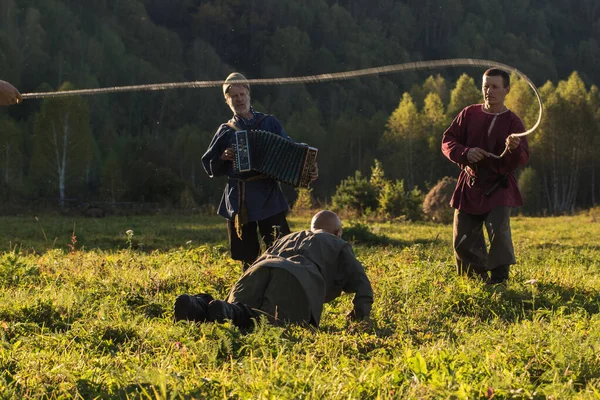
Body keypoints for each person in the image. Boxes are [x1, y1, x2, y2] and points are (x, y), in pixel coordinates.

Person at [174, 210, 373, 329]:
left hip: (259, 269)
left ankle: (198, 305)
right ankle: (231, 313)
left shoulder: (289, 237)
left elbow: (259, 260)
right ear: (338, 232)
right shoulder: (337, 242)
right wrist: (359, 316)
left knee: (233, 306)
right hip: (295, 278)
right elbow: (361, 283)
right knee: (268, 324)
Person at [201, 72, 317, 272]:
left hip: (268, 194)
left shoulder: (268, 123)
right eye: (233, 96)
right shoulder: (226, 131)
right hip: (240, 198)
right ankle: (249, 292)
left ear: (248, 94)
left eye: (241, 94)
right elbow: (209, 163)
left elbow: (290, 149)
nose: (239, 99)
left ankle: (281, 285)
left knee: (281, 247)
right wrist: (223, 158)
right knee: (247, 256)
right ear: (227, 100)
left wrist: (308, 168)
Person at [441, 68, 529, 284]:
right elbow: (448, 141)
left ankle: (500, 281)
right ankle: (474, 281)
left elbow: (521, 158)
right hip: (470, 184)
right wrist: (466, 153)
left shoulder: (513, 122)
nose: (489, 91)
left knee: (499, 234)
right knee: (463, 236)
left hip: (499, 187)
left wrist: (513, 148)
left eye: (495, 87)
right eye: (485, 86)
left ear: (506, 90)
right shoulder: (469, 113)